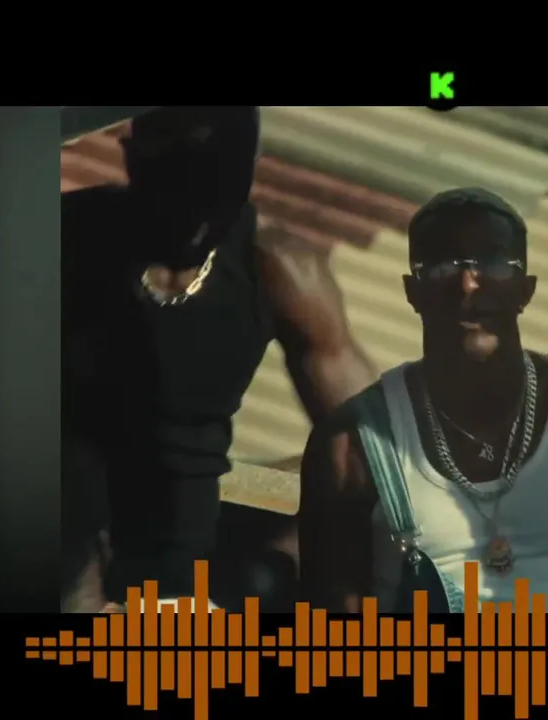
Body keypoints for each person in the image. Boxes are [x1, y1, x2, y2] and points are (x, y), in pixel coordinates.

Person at [62, 106, 376, 612]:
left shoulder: (279, 268)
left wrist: (279, 564)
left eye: (213, 192)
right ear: (133, 158)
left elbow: (379, 451)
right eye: (177, 189)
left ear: (247, 168)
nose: (195, 223)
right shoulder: (66, 237)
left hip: (171, 592)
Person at [298, 187, 548, 614]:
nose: (468, 284)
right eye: (441, 266)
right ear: (412, 291)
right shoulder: (354, 445)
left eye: (493, 264)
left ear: (526, 289)